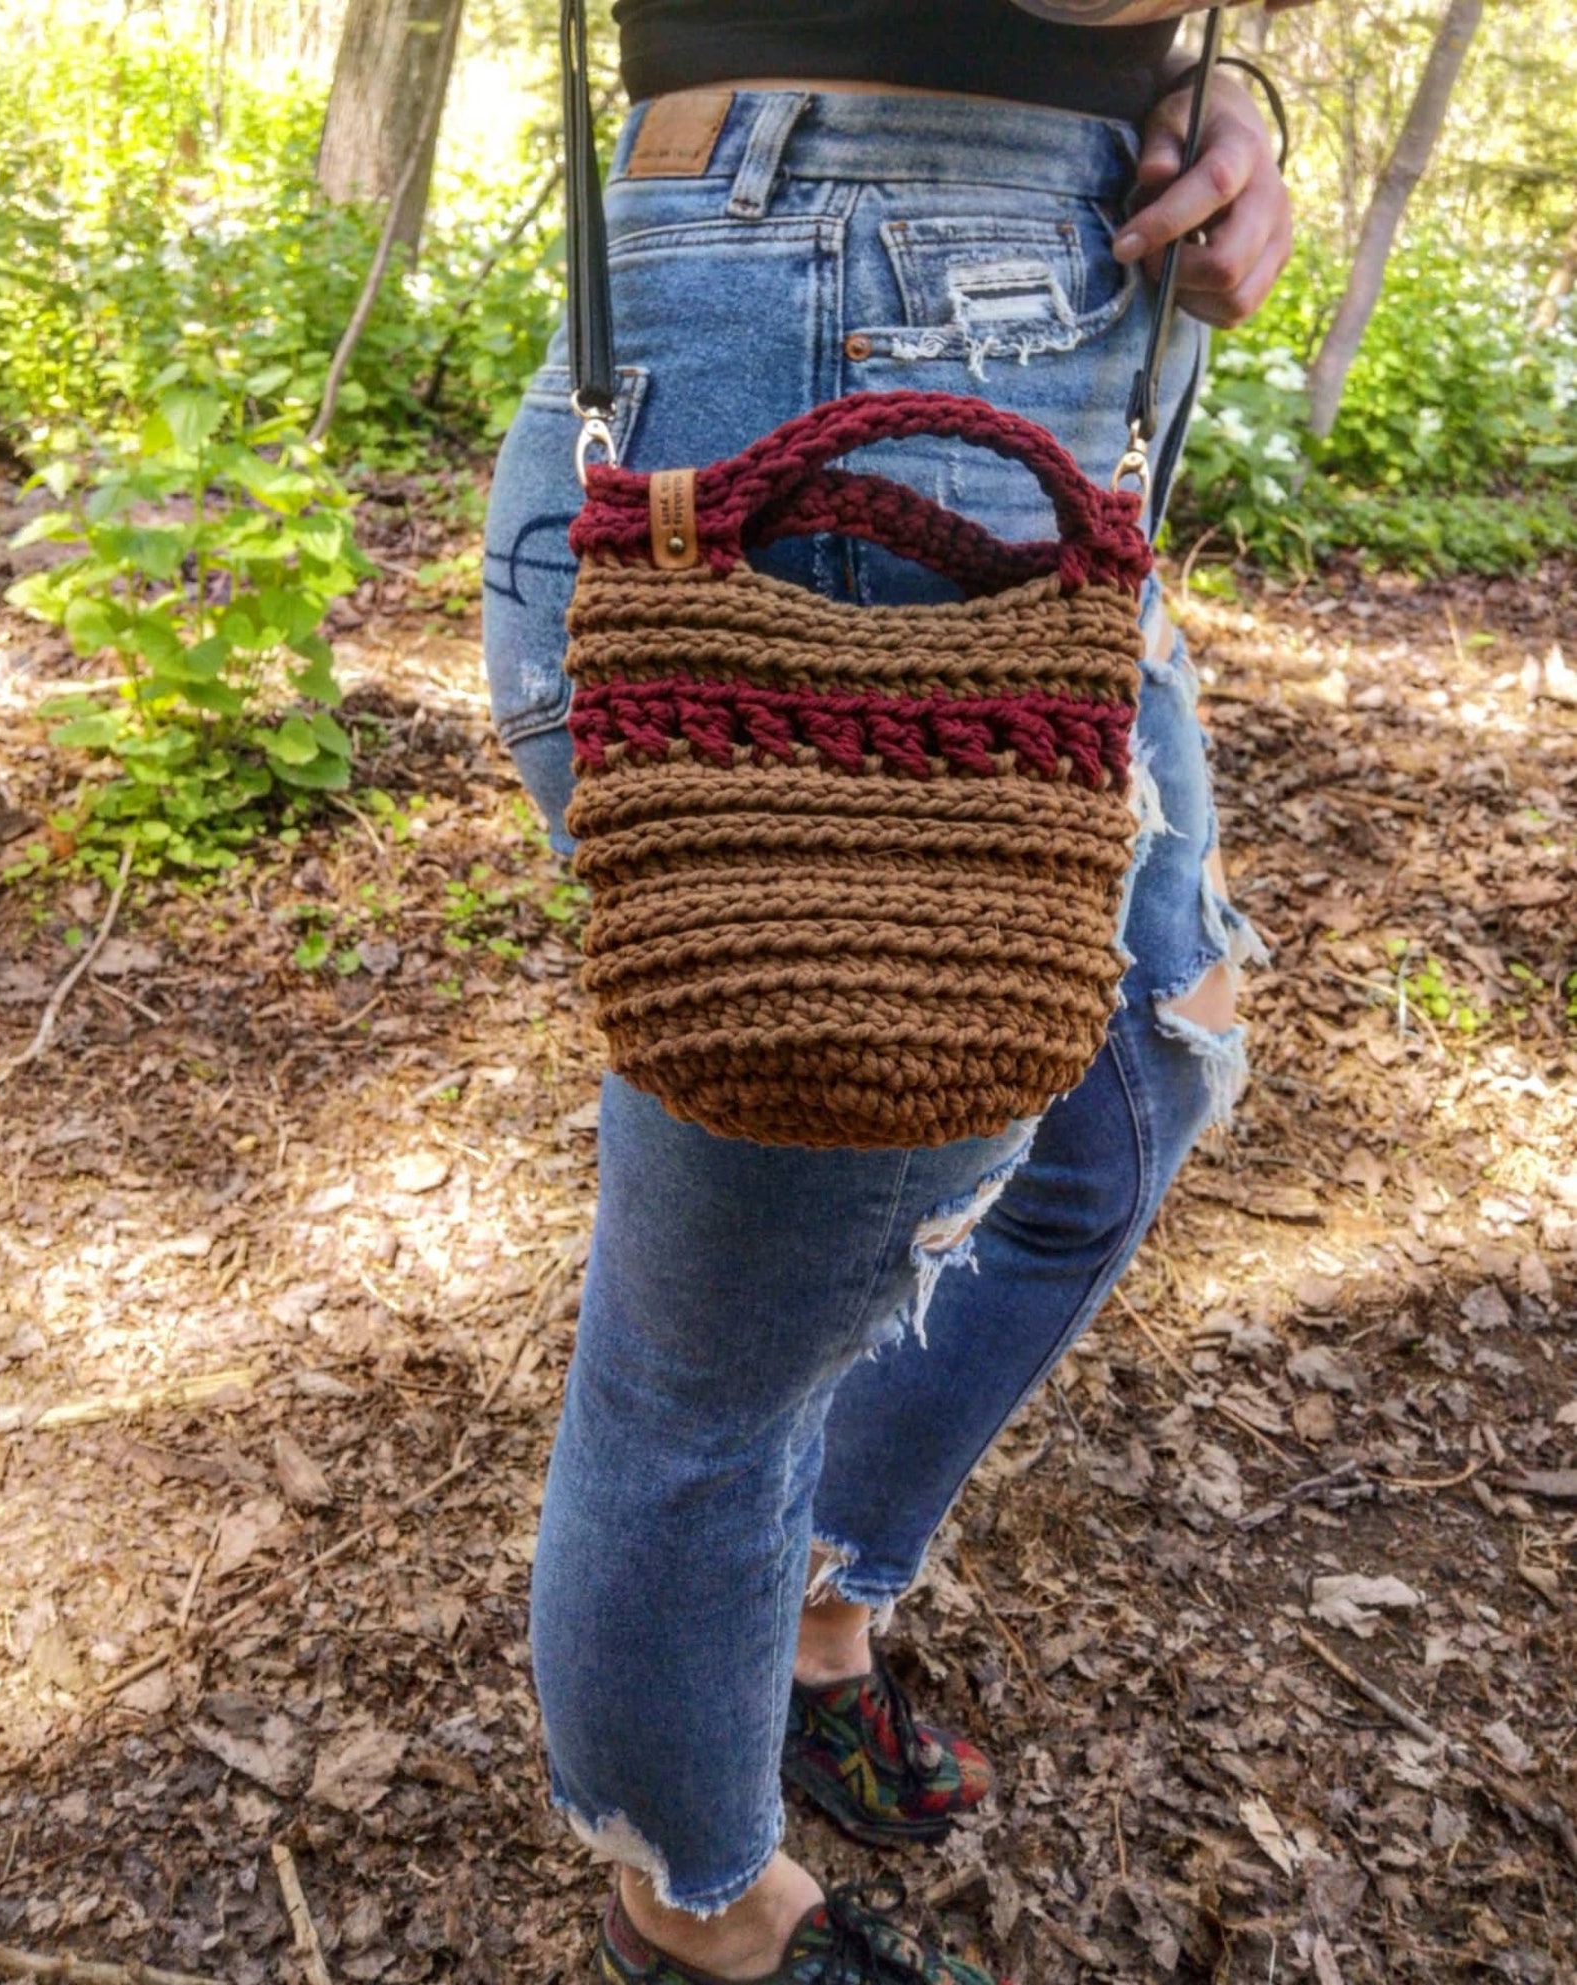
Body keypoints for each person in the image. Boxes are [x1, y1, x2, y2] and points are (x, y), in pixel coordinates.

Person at [482, 4, 1292, 1979]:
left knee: (1135, 1077)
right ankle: (697, 1904)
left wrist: (1207, 104)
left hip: (1035, 370)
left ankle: (812, 1602)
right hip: (840, 325)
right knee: (718, 1360)